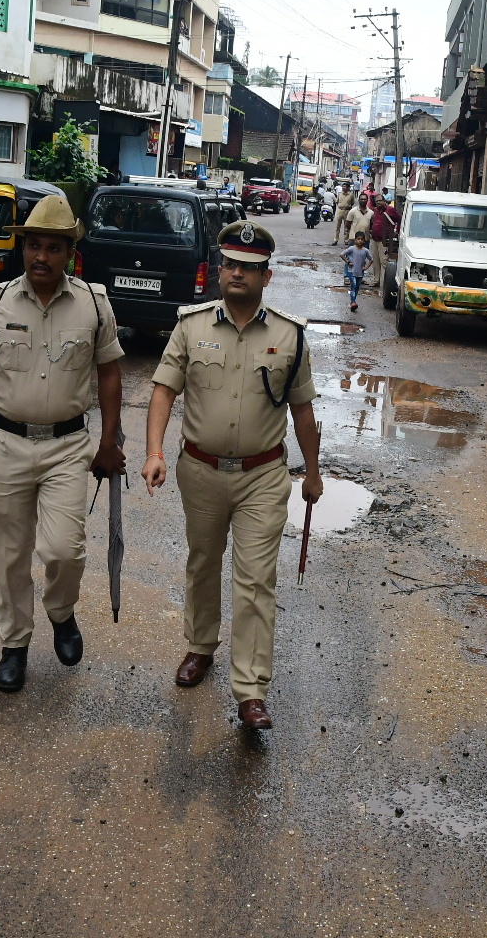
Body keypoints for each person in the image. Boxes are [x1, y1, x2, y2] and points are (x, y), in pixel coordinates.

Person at [0, 196, 126, 693]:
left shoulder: (94, 303)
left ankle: (61, 611)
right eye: (33, 245)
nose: (41, 256)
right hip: (7, 444)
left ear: (69, 253)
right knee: (10, 552)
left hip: (67, 446)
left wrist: (108, 442)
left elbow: (109, 373)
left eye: (53, 248)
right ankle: (14, 645)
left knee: (64, 549)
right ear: (23, 248)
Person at [141, 219, 324, 730]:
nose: (237, 273)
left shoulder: (289, 335)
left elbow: (303, 411)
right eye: (230, 264)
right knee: (203, 563)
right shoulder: (191, 327)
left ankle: (251, 690)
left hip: (262, 476)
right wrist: (154, 451)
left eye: (249, 267)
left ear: (267, 276)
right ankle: (201, 646)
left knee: (256, 579)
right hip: (200, 471)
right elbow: (163, 390)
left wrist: (312, 474)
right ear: (220, 270)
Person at [369, 195, 400, 290]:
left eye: (380, 201)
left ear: (384, 201)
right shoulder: (375, 210)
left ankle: (384, 284)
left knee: (384, 262)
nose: (378, 202)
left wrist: (397, 232)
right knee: (375, 261)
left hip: (385, 241)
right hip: (375, 239)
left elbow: (400, 219)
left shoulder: (390, 210)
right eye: (376, 201)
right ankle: (376, 280)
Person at [345, 195, 374, 278]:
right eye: (361, 199)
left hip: (365, 239)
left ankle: (360, 277)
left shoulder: (371, 213)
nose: (363, 200)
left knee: (362, 260)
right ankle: (347, 276)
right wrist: (353, 233)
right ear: (359, 200)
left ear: (367, 200)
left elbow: (371, 225)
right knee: (350, 258)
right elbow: (348, 224)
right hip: (353, 239)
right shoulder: (353, 211)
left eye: (365, 199)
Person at [342, 232, 371, 312]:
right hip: (351, 271)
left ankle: (353, 301)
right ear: (355, 240)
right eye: (358, 239)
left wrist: (366, 267)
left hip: (360, 273)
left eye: (362, 239)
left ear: (364, 241)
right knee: (353, 285)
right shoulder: (352, 249)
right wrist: (348, 262)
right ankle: (353, 302)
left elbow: (371, 259)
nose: (360, 241)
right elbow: (342, 254)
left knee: (357, 287)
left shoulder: (365, 251)